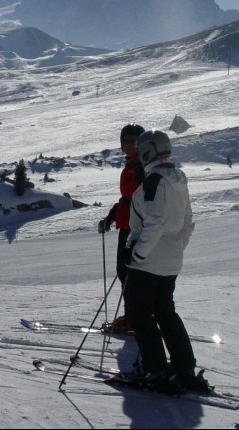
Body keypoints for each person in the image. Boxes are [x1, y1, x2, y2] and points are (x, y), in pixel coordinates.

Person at [122, 130, 209, 393]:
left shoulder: (154, 182)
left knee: (140, 314)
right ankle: (184, 366)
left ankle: (155, 368)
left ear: (147, 152)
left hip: (148, 262)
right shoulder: (178, 178)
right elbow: (187, 222)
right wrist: (175, 249)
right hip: (170, 261)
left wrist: (138, 254)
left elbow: (154, 223)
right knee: (165, 311)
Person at [97, 122, 145, 333]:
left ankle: (135, 318)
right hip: (126, 223)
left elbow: (140, 199)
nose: (127, 144)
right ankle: (135, 316)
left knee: (130, 274)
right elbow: (126, 199)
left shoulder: (141, 167)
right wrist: (111, 217)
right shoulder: (132, 165)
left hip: (135, 227)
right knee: (125, 272)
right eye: (125, 140)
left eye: (132, 140)